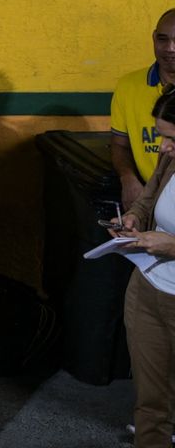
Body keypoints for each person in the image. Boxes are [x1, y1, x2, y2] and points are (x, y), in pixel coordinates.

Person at [117, 90, 175, 448]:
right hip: (148, 286)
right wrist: (135, 217)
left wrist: (173, 245)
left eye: (172, 138)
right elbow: (150, 194)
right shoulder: (169, 160)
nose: (164, 147)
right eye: (162, 136)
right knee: (151, 404)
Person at [111, 9, 175, 209]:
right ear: (154, 38)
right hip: (149, 199)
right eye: (163, 39)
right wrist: (127, 178)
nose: (170, 48)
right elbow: (119, 145)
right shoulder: (128, 87)